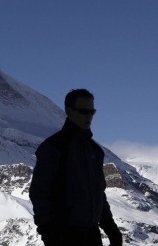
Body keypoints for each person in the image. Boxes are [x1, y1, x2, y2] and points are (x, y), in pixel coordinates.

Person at [29, 89, 122, 246]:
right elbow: (39, 192)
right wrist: (48, 232)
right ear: (69, 111)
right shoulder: (53, 148)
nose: (89, 116)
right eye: (84, 111)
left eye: (92, 112)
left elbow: (99, 193)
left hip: (92, 234)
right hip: (64, 234)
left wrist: (110, 226)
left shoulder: (95, 151)